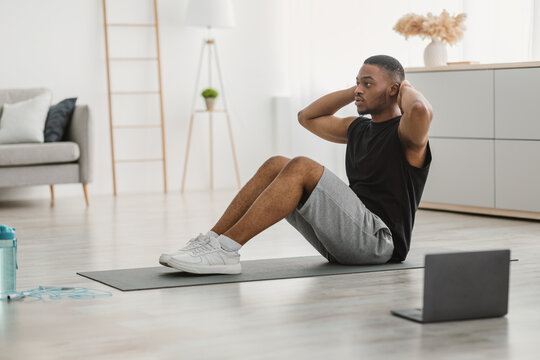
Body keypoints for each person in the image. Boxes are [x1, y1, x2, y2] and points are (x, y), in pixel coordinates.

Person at [159, 55, 433, 275]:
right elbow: (307, 117)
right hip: (347, 240)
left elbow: (420, 110)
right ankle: (212, 242)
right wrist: (357, 90)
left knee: (302, 166)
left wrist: (404, 88)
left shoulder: (406, 135)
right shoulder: (358, 128)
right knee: (276, 164)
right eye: (357, 83)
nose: (359, 90)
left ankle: (227, 250)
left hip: (380, 243)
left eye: (368, 84)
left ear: (394, 90)